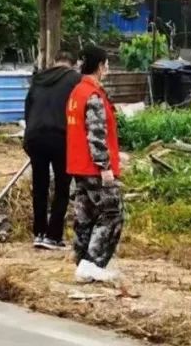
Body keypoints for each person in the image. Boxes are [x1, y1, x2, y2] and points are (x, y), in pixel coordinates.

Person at [65, 45, 124, 283]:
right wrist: (104, 166)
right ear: (100, 66)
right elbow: (96, 135)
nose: (107, 69)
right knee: (112, 213)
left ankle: (82, 262)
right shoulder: (93, 95)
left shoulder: (76, 93)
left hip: (78, 164)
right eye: (106, 64)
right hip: (93, 167)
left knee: (85, 215)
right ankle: (93, 263)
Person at [23, 51, 81, 250]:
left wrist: (29, 136)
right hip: (60, 137)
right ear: (73, 64)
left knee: (40, 185)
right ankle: (53, 236)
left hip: (35, 136)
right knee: (62, 186)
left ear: (54, 62)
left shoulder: (38, 79)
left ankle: (39, 233)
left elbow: (28, 109)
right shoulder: (75, 79)